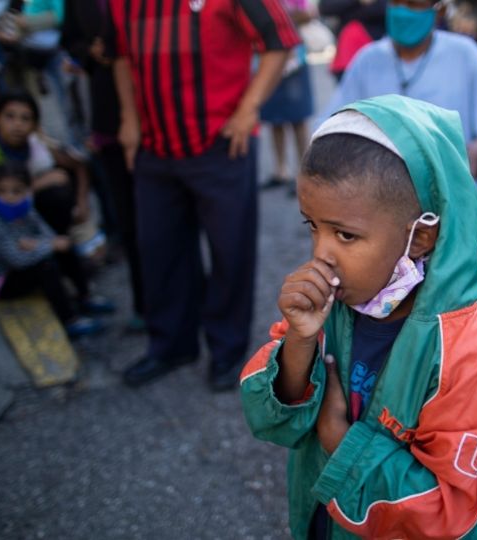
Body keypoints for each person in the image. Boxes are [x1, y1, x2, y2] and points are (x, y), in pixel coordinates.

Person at [240, 95, 477, 539]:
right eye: (312, 225)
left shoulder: (465, 352)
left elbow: (451, 510)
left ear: (421, 237)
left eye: (345, 235)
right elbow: (270, 420)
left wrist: (337, 439)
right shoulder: (327, 308)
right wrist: (301, 341)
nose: (320, 255)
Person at [104, 0, 300, 390]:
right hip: (154, 148)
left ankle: (226, 352)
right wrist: (128, 117)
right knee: (160, 251)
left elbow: (279, 41)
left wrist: (248, 108)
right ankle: (171, 345)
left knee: (230, 253)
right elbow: (121, 55)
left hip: (223, 144)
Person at [325, 0, 477, 178]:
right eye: (396, 3)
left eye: (413, 4)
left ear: (439, 11)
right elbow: (330, 126)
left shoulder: (464, 54)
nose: (402, 12)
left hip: (448, 188)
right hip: (379, 190)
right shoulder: (368, 60)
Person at [0, 91, 101, 308]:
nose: (17, 125)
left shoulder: (32, 144)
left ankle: (85, 294)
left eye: (25, 118)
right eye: (9, 116)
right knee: (49, 253)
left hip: (16, 225)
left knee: (58, 191)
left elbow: (78, 164)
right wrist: (46, 244)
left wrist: (82, 204)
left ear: (34, 124)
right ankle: (69, 304)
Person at [61, 0, 145, 332]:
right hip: (109, 116)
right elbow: (70, 40)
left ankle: (189, 294)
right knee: (128, 219)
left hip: (157, 116)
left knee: (171, 218)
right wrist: (91, 52)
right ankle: (145, 303)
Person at [0, 161, 105, 337]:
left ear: (28, 190)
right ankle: (70, 320)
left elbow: (49, 236)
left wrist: (37, 244)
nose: (9, 197)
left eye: (17, 191)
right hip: (2, 280)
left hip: (23, 262)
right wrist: (46, 245)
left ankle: (85, 297)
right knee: (46, 266)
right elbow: (18, 259)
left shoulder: (27, 211)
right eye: (1, 191)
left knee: (65, 246)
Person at [261, 0, 315, 193]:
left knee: (297, 119)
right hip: (268, 59)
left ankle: (304, 173)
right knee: (274, 118)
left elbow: (310, 14)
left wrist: (279, 16)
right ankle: (280, 171)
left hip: (294, 61)